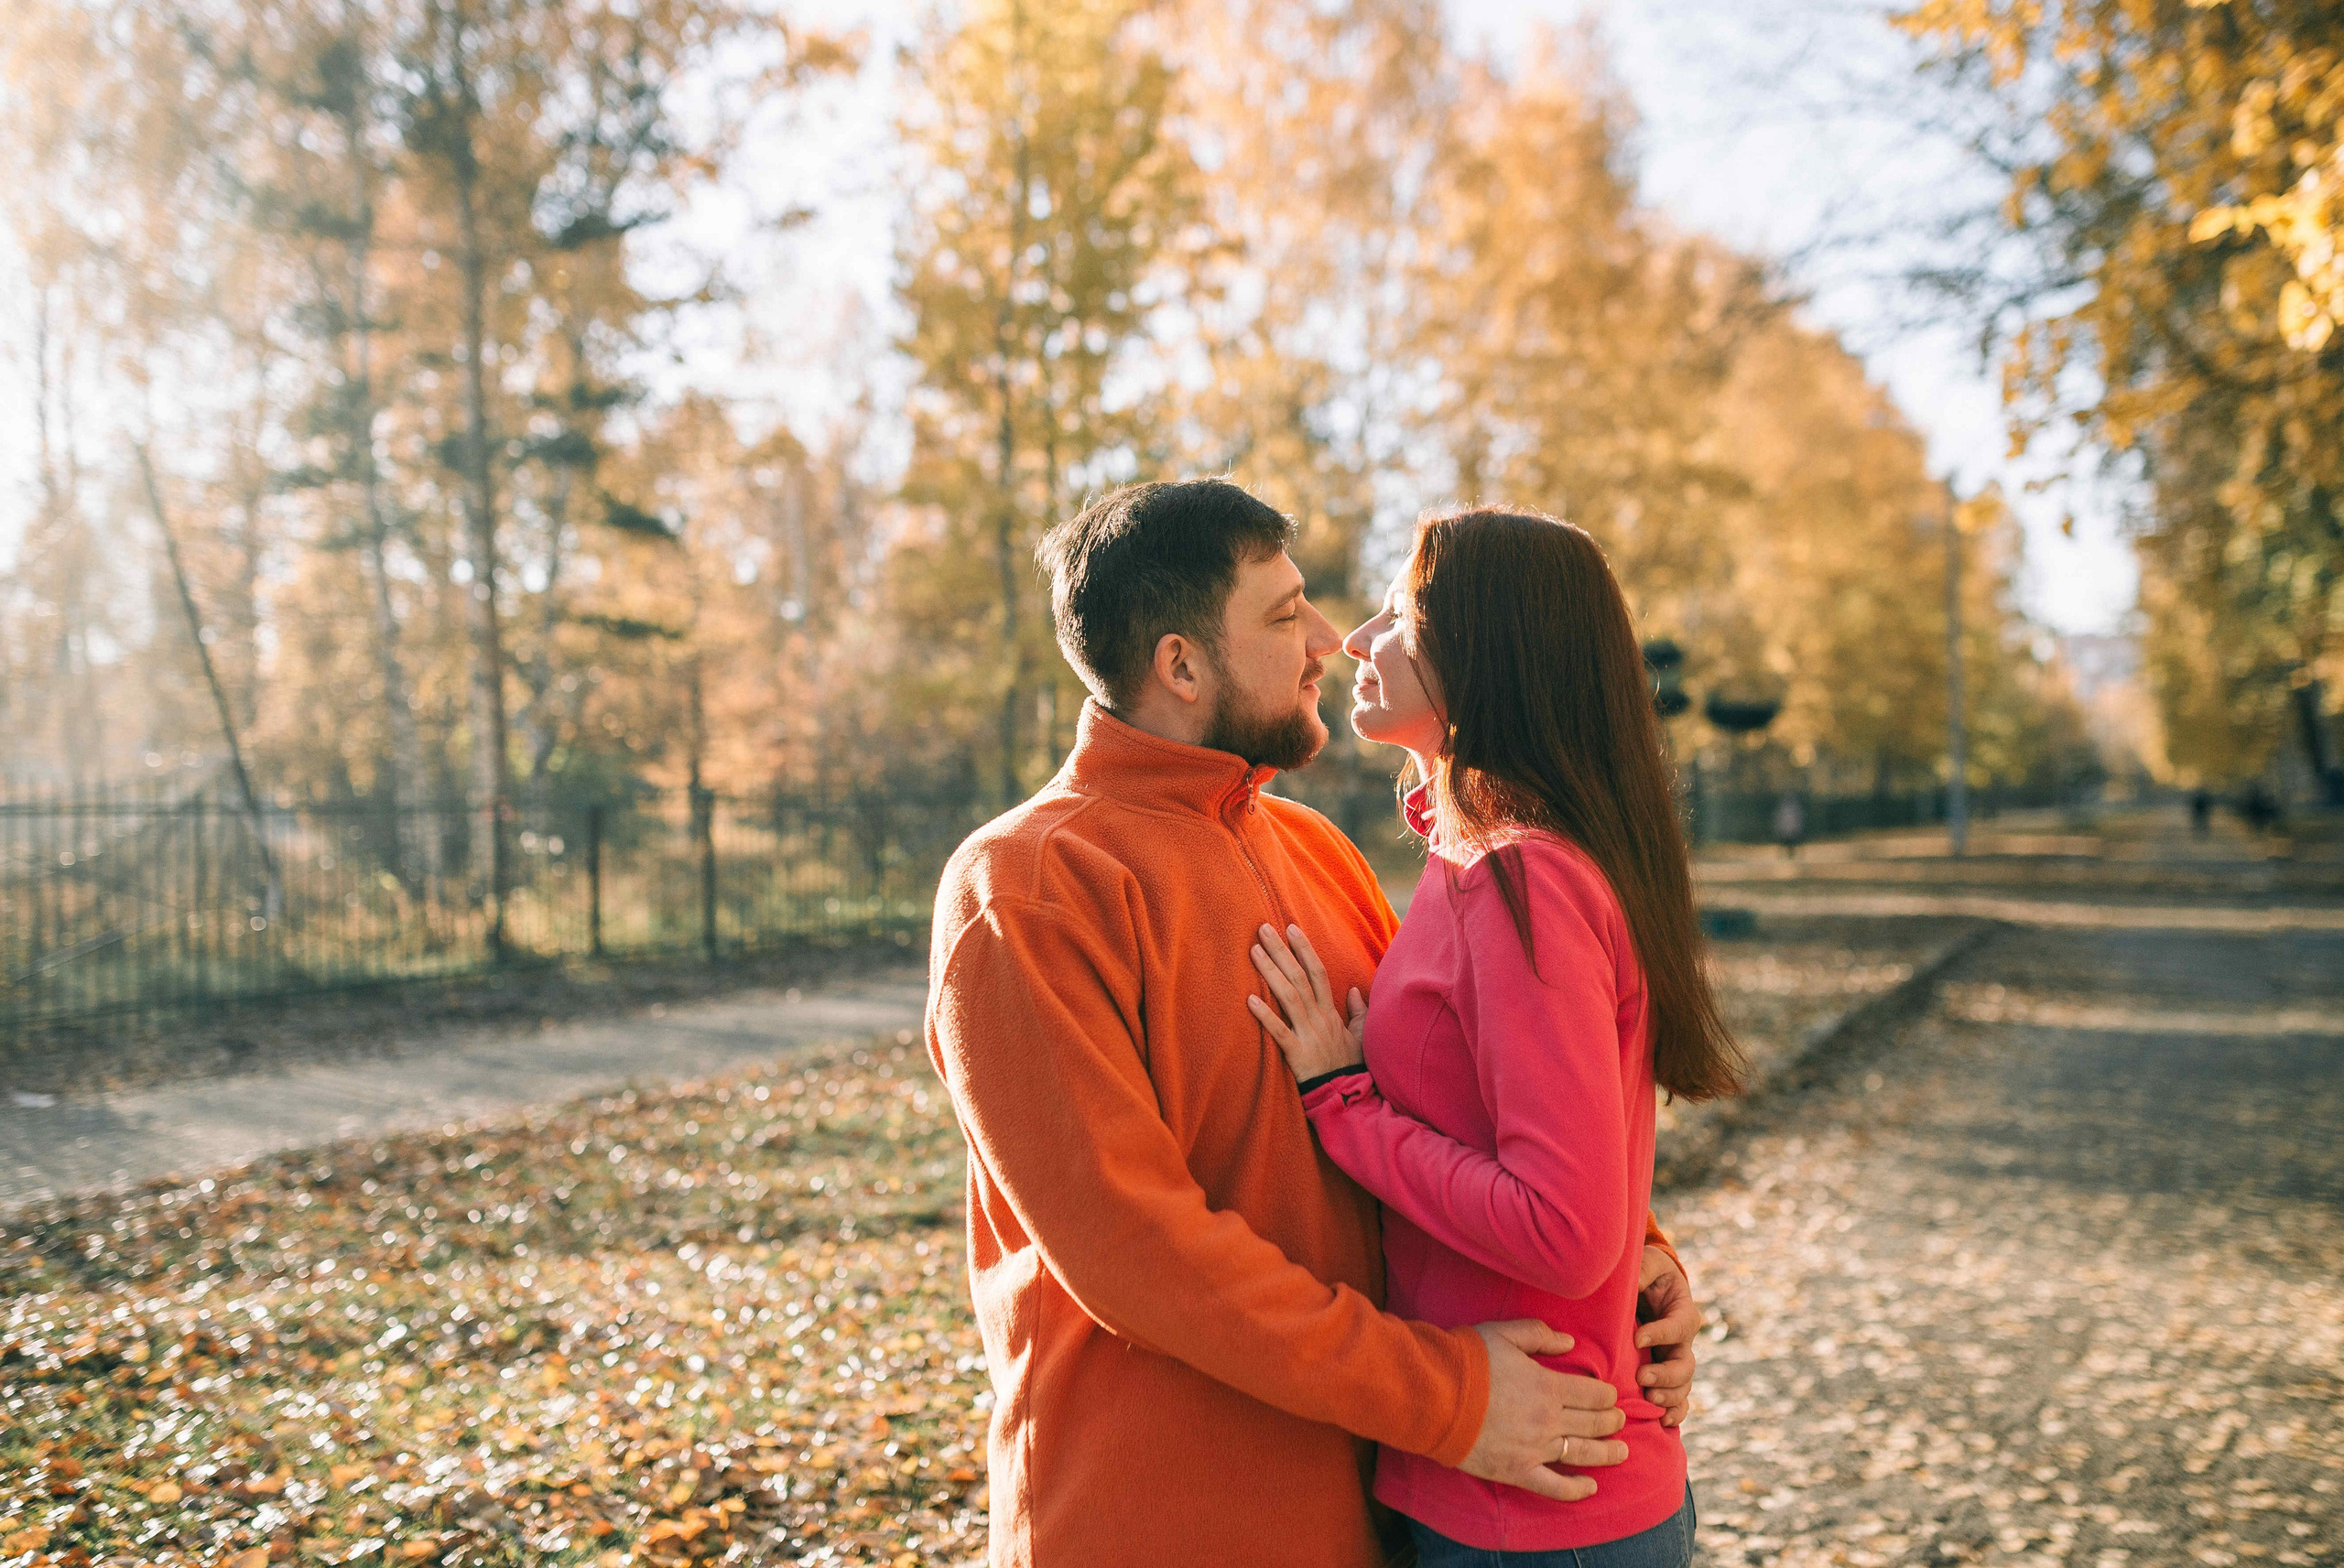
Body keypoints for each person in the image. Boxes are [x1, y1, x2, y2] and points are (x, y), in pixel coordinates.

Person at [924, 480, 1704, 1568]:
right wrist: (1447, 1397)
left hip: (1379, 1508)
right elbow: (1133, 1250)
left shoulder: (1315, 849)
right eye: (1285, 616)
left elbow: (1461, 1091)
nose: (1330, 643)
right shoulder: (1026, 887)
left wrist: (1638, 1263)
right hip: (1156, 1524)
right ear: (1180, 664)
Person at [1248, 506, 1745, 1567]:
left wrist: (1343, 1105)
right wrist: (1653, 1267)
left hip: (1538, 1516)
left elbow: (1563, 1228)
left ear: (1489, 651)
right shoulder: (1487, 858)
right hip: (1513, 1486)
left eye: (1399, 615)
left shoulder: (1519, 876)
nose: (1353, 641)